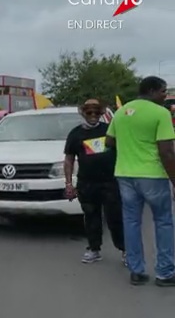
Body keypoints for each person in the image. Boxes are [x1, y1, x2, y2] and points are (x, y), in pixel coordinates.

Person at [106, 76, 175, 286]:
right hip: (152, 175)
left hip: (125, 175)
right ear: (153, 91)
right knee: (163, 221)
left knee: (131, 222)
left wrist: (130, 147)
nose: (165, 96)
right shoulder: (160, 113)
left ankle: (136, 271)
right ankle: (165, 273)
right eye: (163, 92)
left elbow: (109, 142)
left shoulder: (121, 111)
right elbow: (167, 152)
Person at [64, 99, 125, 264]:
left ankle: (125, 250)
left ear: (101, 113)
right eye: (89, 112)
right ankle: (94, 249)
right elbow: (69, 160)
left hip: (110, 182)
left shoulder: (109, 130)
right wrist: (69, 184)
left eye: (96, 112)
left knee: (115, 218)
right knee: (91, 217)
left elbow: (124, 152)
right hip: (87, 184)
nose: (93, 116)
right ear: (83, 113)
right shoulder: (75, 134)